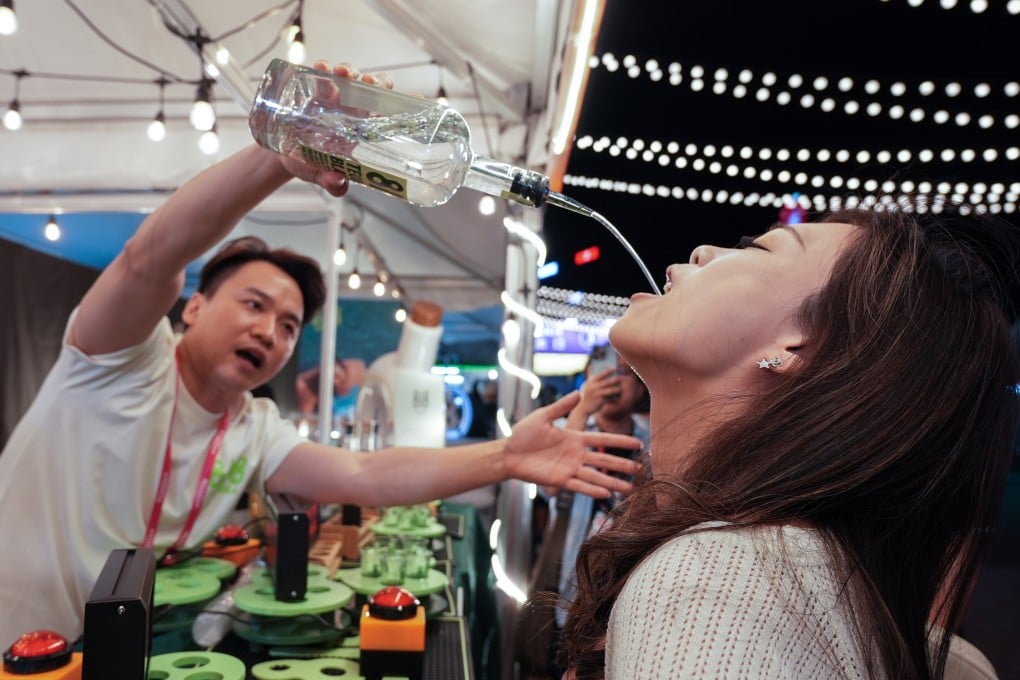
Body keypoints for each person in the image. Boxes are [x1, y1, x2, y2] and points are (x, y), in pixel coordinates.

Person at [0, 61, 641, 647]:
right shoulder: (119, 359)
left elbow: (362, 477)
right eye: (253, 305)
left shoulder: (249, 427)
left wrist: (504, 456)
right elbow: (152, 256)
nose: (270, 334)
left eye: (287, 326)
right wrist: (283, 157)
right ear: (192, 307)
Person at [557, 205, 1020, 679]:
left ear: (795, 347)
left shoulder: (714, 579)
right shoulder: (810, 582)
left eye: (760, 248)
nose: (701, 253)